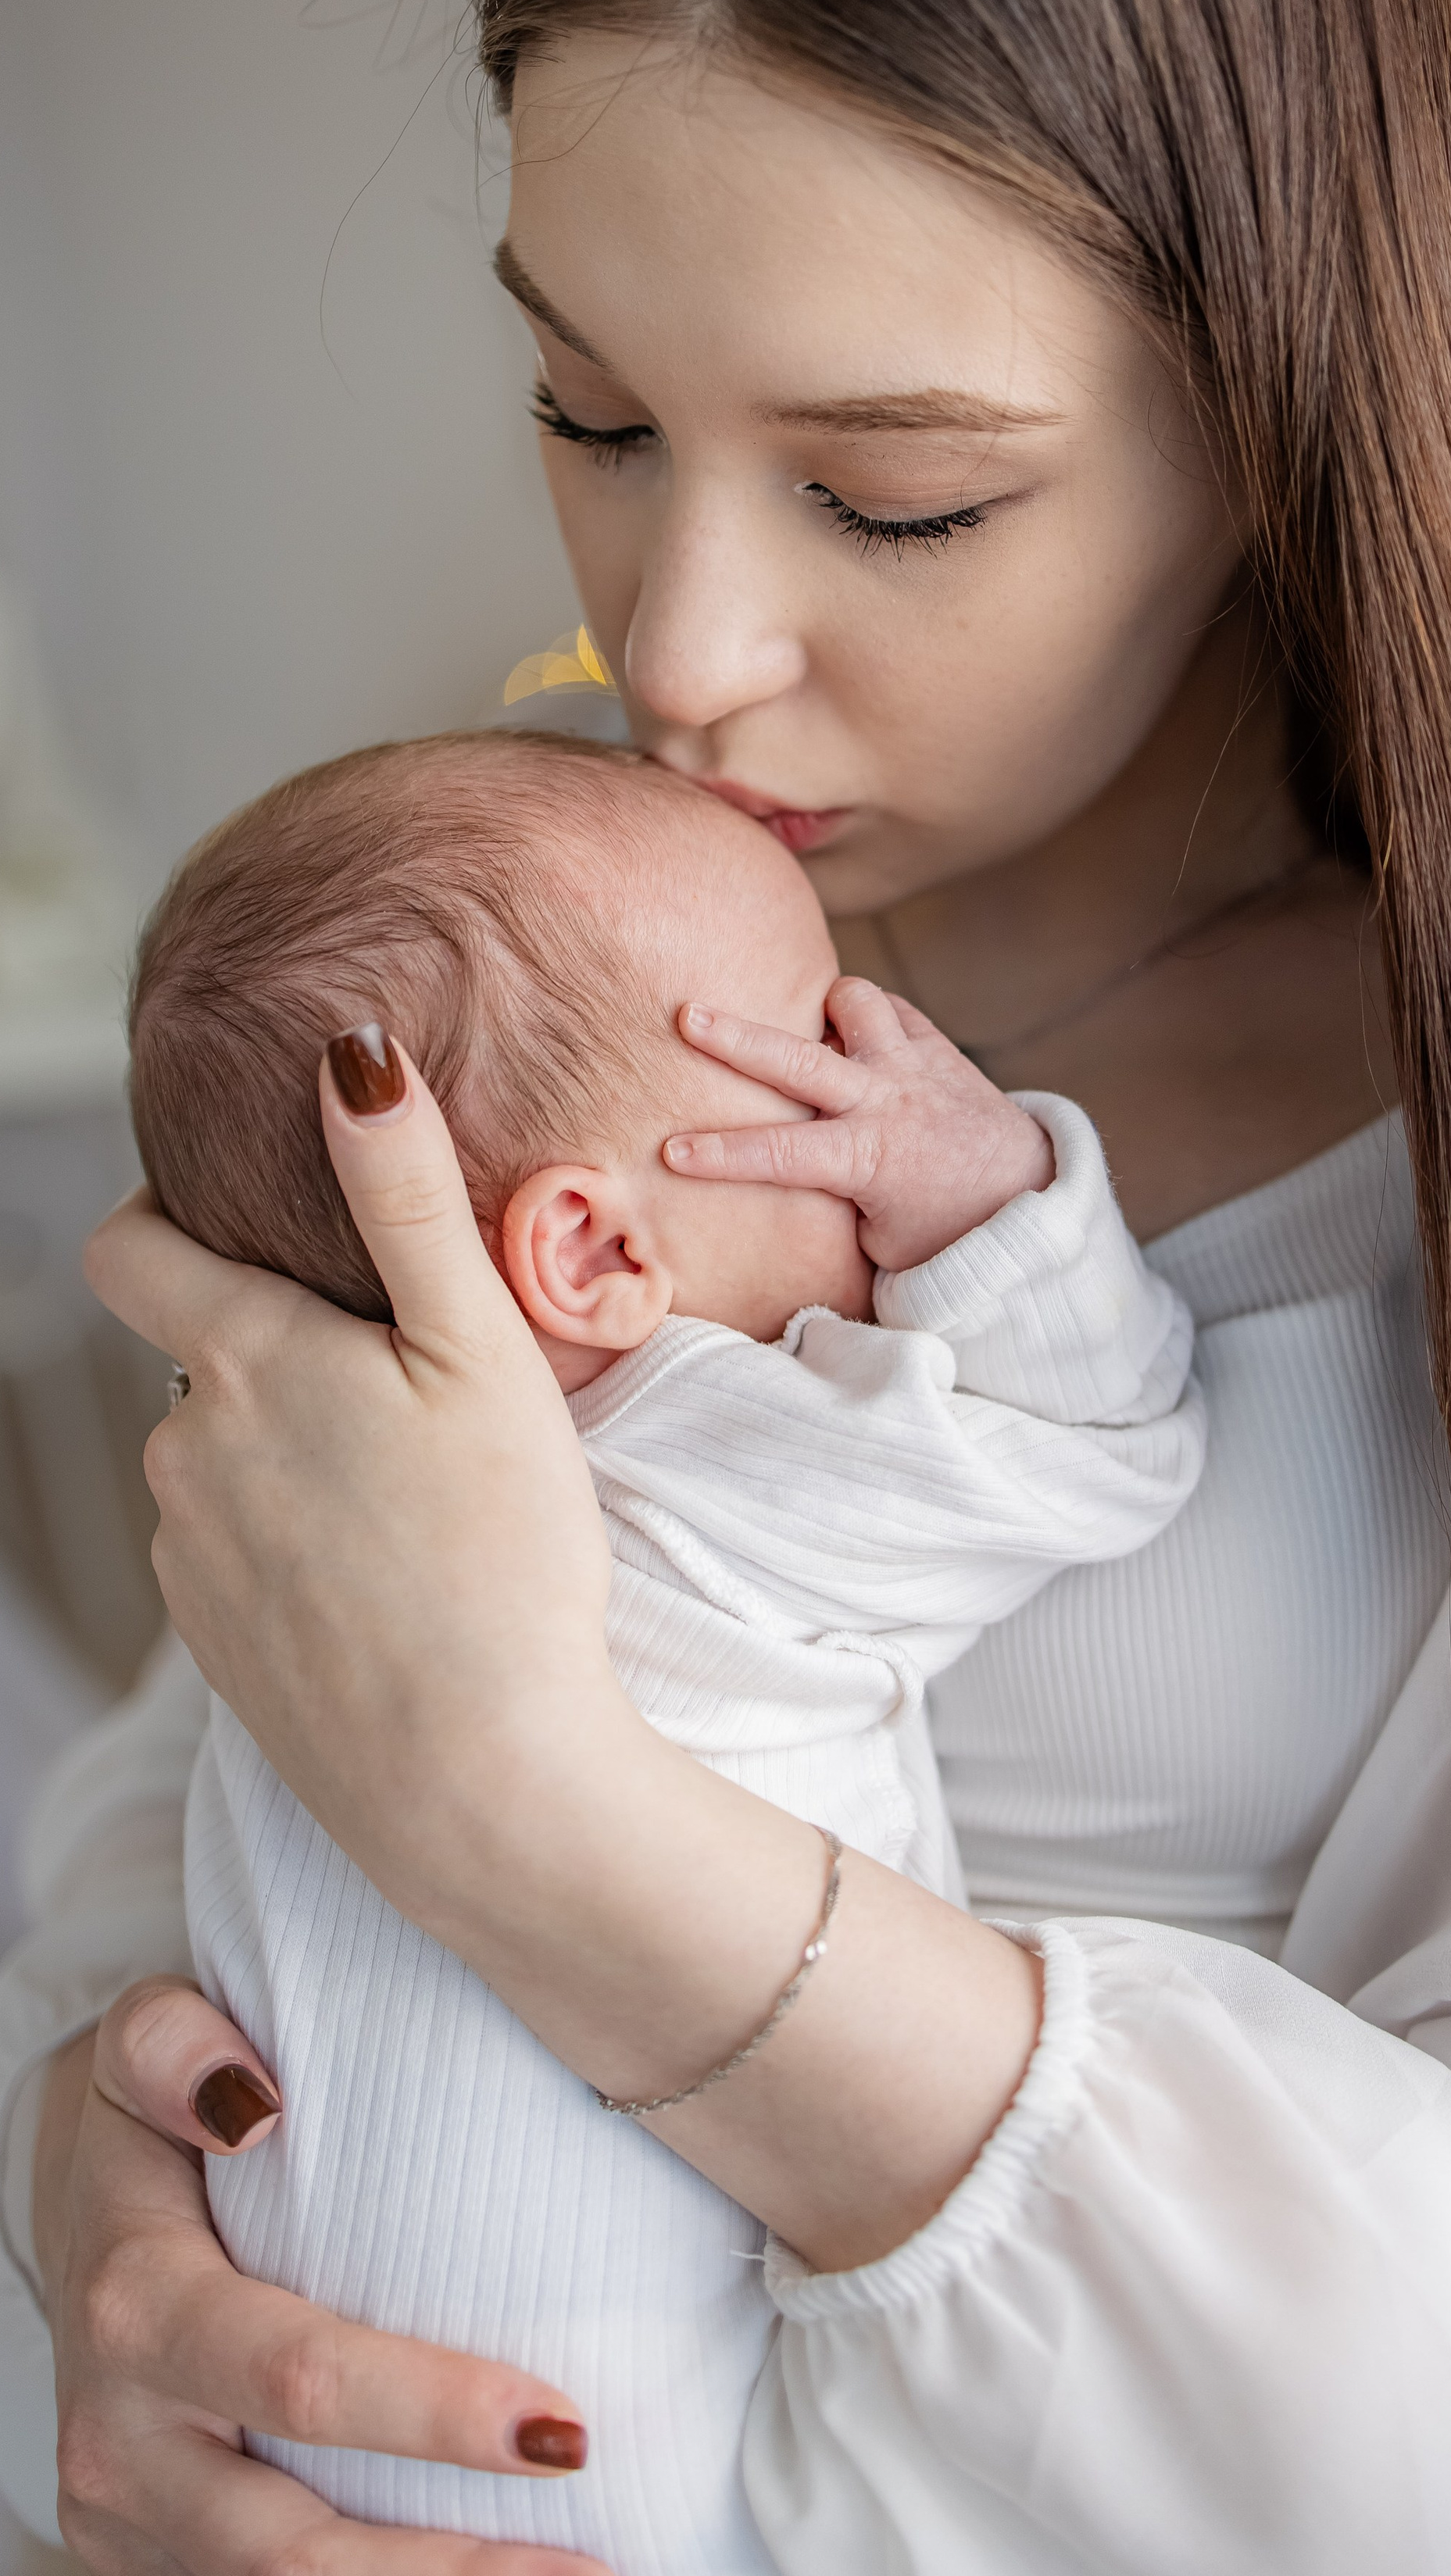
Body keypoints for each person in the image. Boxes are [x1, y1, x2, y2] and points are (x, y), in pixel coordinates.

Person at [0, 0, 1451, 2567]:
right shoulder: (541, 984)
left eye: (896, 493)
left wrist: (560, 1848)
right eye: (589, 410)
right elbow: (172, 1844)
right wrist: (93, 2201)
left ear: (1294, 395)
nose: (678, 654)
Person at [126, 724, 1202, 2568]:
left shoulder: (292, 1510)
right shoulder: (711, 1447)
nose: (885, 1078)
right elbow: (1103, 1449)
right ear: (596, 1258)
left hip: (293, 2378)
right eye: (823, 1051)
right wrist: (986, 1192)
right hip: (618, 2425)